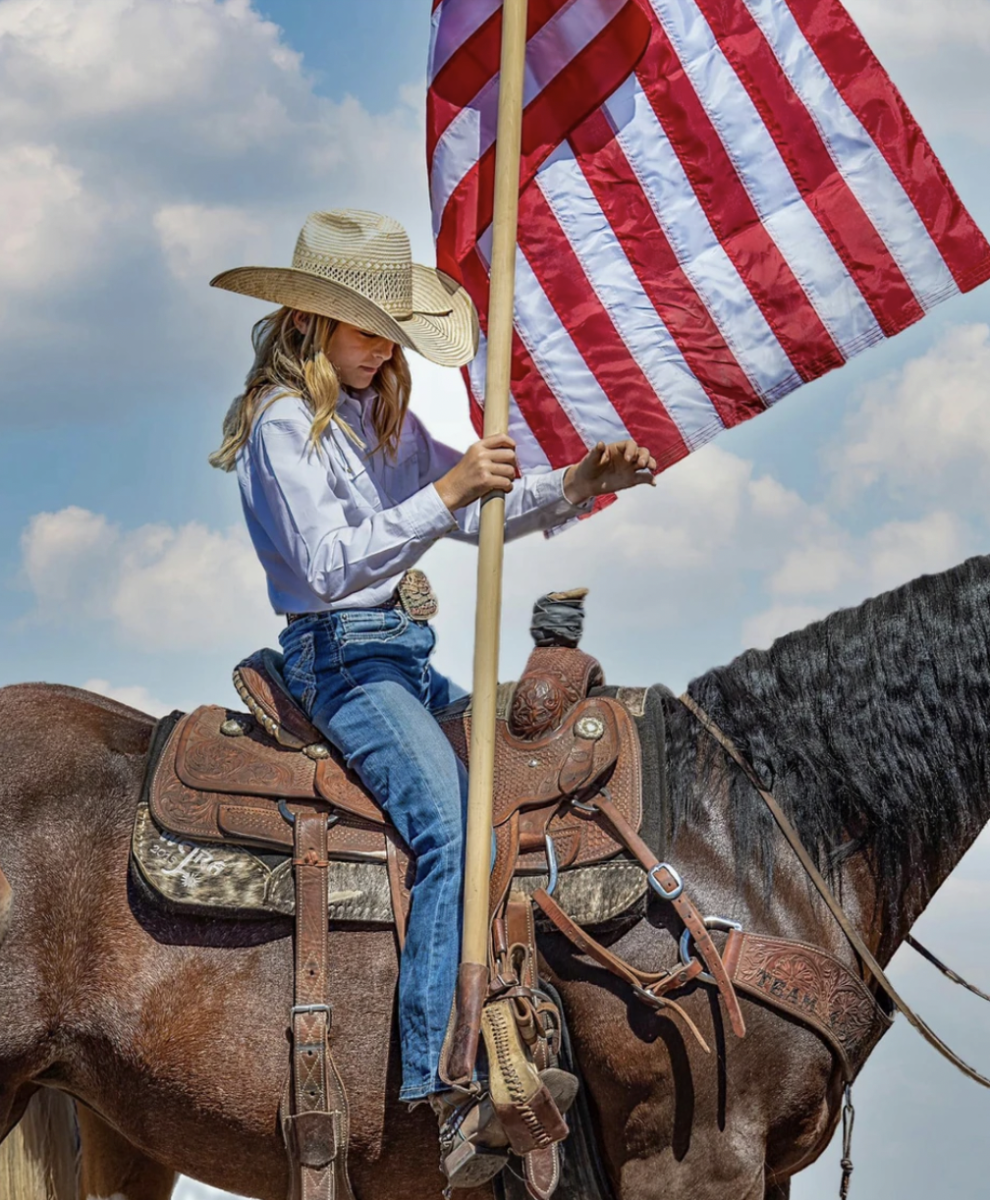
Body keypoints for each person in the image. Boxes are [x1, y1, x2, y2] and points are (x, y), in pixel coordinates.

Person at [209, 209, 656, 1186]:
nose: (382, 348)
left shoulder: (379, 418)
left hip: (402, 659)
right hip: (341, 660)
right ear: (309, 321)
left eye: (390, 332)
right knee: (450, 829)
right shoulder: (283, 426)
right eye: (366, 329)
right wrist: (448, 491)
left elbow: (479, 500)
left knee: (522, 786)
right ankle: (447, 1082)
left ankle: (519, 1014)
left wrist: (576, 482)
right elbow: (330, 566)